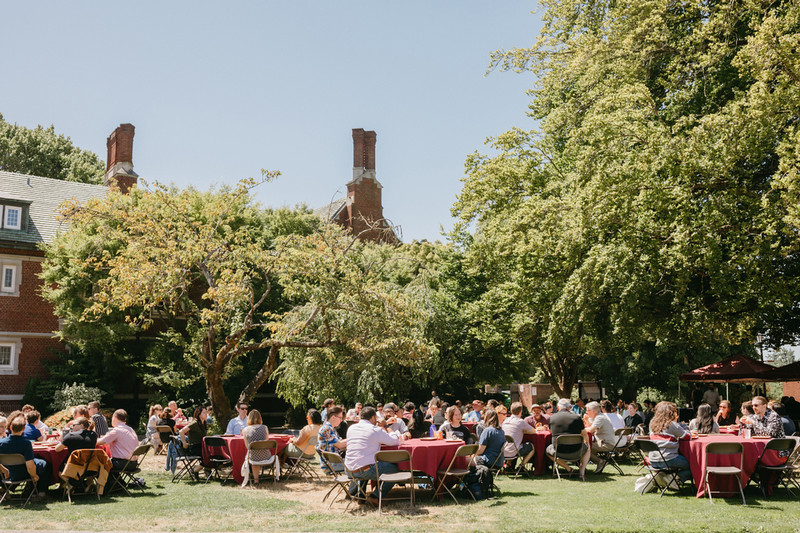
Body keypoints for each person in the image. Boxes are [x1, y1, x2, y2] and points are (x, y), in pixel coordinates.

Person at [344, 406, 403, 504]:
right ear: (372, 418)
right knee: (394, 469)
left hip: (349, 470)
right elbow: (394, 441)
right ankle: (375, 496)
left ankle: (361, 495)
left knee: (364, 461)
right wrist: (386, 427)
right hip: (364, 470)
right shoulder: (375, 430)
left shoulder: (351, 428)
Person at [0, 415, 50, 493]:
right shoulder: (26, 444)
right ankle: (41, 492)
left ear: (10, 428)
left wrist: (5, 471)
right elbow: (30, 466)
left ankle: (11, 488)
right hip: (23, 472)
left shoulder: (1, 443)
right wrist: (34, 476)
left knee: (39, 463)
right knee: (45, 463)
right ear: (23, 429)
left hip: (9, 472)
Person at [648, 401, 692, 483]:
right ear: (670, 412)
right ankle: (673, 478)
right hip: (669, 459)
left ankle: (662, 477)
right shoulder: (671, 424)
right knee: (693, 465)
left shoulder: (652, 423)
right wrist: (685, 426)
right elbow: (687, 437)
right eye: (674, 410)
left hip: (653, 460)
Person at [546, 398, 590, 480]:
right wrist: (587, 442)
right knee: (588, 447)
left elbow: (550, 432)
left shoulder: (552, 418)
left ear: (558, 408)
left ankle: (568, 468)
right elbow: (584, 434)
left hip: (559, 450)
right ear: (569, 407)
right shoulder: (577, 418)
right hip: (577, 450)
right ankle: (582, 471)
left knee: (547, 451)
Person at [584, 401, 616, 473]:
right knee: (586, 446)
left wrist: (581, 430)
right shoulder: (598, 417)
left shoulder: (600, 418)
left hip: (606, 444)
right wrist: (586, 420)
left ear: (594, 411)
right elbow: (590, 428)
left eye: (588, 410)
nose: (586, 412)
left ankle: (600, 462)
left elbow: (591, 430)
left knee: (584, 447)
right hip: (603, 442)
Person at [501, 402, 535, 469]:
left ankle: (508, 464)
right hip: (513, 452)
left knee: (513, 444)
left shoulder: (505, 421)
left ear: (511, 411)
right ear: (521, 411)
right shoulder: (520, 422)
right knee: (531, 447)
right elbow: (533, 431)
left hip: (502, 451)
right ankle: (521, 466)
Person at [241, 409, 270, 483]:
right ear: (260, 418)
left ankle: (256, 480)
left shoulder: (245, 430)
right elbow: (266, 442)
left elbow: (247, 447)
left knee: (253, 456)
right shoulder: (265, 427)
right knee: (258, 454)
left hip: (253, 456)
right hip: (266, 456)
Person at [317, 406, 347, 473]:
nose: (341, 420)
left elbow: (341, 441)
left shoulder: (330, 428)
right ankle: (356, 483)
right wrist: (354, 439)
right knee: (358, 464)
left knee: (359, 462)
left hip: (334, 462)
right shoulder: (327, 429)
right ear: (333, 417)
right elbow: (340, 445)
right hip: (330, 465)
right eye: (340, 418)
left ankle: (357, 483)